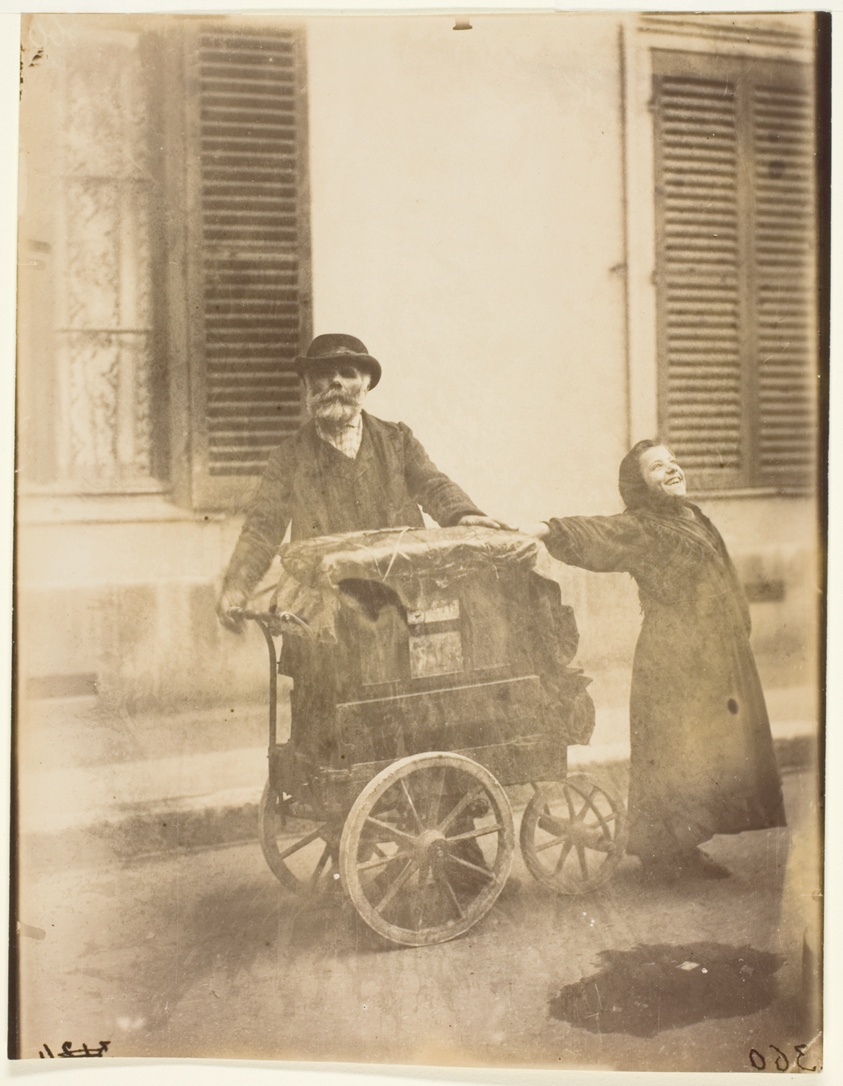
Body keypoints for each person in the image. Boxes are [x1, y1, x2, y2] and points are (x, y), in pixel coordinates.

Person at [521, 439, 786, 882]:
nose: (672, 469)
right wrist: (546, 529)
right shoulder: (644, 528)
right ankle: (662, 855)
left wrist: (738, 630)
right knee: (674, 752)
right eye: (657, 468)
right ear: (639, 486)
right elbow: (601, 532)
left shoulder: (693, 517)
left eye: (673, 462)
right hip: (673, 658)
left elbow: (725, 574)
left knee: (708, 752)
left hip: (714, 654)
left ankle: (684, 847)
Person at [216, 333, 503, 628]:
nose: (336, 381)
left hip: (398, 606)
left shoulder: (398, 441)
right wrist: (236, 587)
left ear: (366, 385)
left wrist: (463, 513)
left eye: (348, 373)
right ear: (307, 384)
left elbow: (433, 485)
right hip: (324, 614)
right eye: (324, 373)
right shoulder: (288, 457)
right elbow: (262, 528)